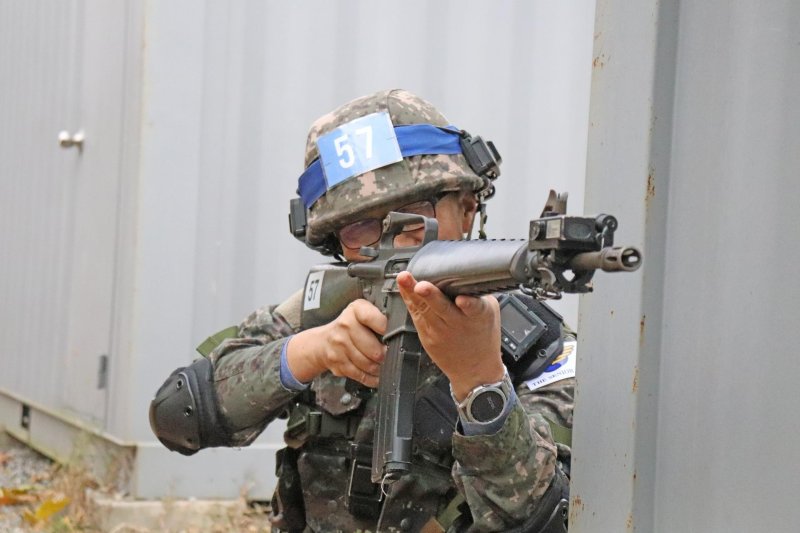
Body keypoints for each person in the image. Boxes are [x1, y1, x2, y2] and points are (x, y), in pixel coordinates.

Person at [150, 89, 575, 532]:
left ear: (467, 210)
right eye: (362, 227)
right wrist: (308, 353)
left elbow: (540, 517)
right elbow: (176, 415)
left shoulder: (537, 348)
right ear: (337, 244)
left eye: (416, 213)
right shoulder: (323, 313)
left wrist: (480, 380)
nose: (397, 239)